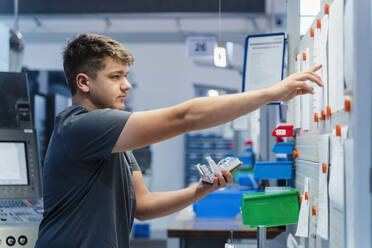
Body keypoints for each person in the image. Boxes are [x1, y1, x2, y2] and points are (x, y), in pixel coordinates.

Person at [35, 33, 322, 248]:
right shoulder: (78, 127)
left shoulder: (116, 143)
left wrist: (198, 191)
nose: (127, 85)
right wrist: (270, 94)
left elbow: (143, 206)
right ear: (84, 82)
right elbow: (185, 118)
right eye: (116, 77)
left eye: (126, 75)